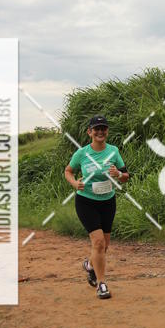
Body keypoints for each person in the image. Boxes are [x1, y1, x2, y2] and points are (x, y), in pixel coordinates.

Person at [64, 115, 129, 299]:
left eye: (103, 128)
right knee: (98, 242)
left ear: (107, 131)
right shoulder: (82, 153)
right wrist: (74, 184)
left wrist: (118, 174)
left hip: (108, 202)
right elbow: (68, 171)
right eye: (96, 128)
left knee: (104, 245)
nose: (100, 131)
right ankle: (101, 284)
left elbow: (126, 175)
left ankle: (90, 265)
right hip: (86, 202)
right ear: (90, 132)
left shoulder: (114, 151)